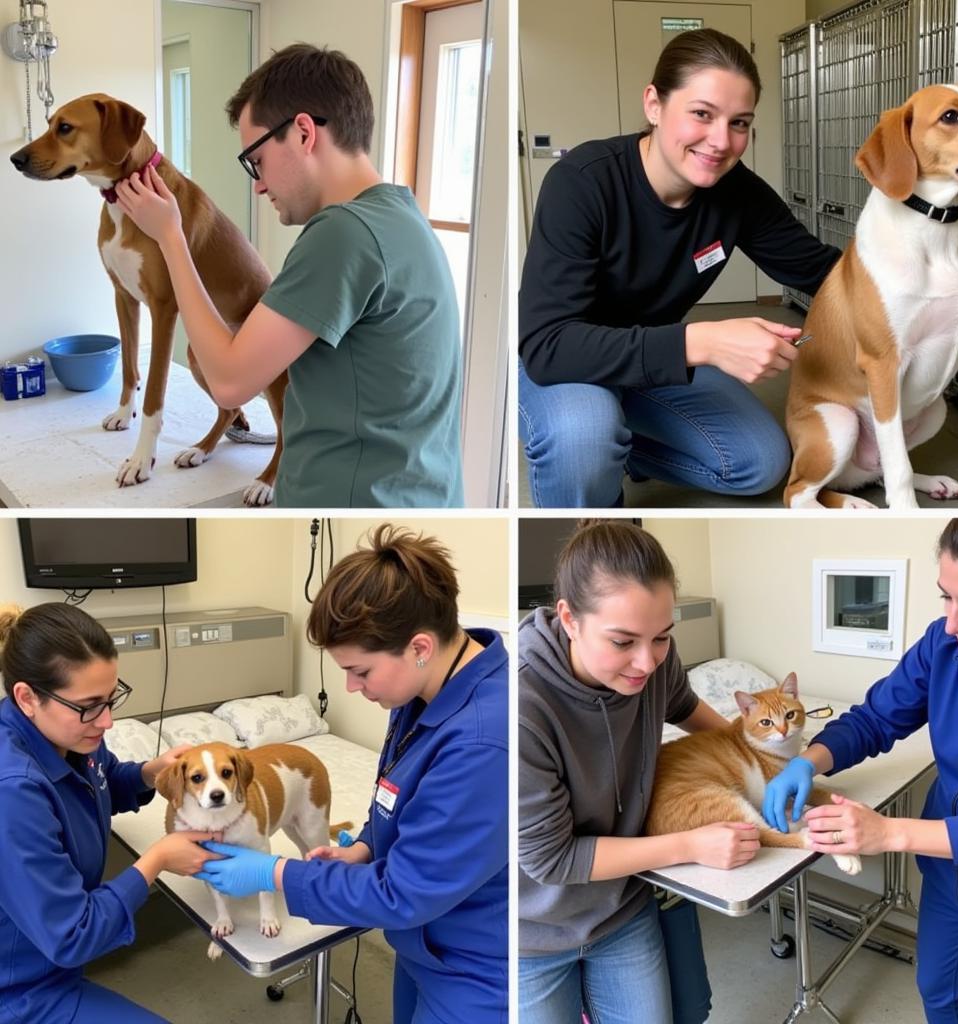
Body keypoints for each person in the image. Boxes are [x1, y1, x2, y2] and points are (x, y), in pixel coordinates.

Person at [115, 43, 464, 508]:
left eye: (255, 161)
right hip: (412, 496)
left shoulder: (344, 234)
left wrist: (171, 238)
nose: (257, 184)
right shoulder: (399, 215)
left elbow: (229, 383)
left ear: (303, 132)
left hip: (357, 504)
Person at [193, 525, 508, 1024]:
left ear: (420, 647)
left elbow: (404, 893)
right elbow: (397, 802)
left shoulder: (483, 743)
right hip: (425, 947)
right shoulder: (425, 694)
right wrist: (363, 847)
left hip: (479, 971)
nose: (351, 688)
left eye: (361, 672)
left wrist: (272, 872)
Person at [518, 28, 843, 508]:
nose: (721, 141)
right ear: (654, 104)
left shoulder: (737, 193)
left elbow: (822, 271)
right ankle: (597, 502)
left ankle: (628, 452)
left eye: (740, 123)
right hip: (570, 361)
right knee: (584, 435)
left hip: (650, 360)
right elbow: (549, 346)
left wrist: (917, 262)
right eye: (702, 114)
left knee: (761, 464)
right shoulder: (582, 183)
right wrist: (704, 342)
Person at [763, 518, 958, 1024]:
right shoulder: (944, 646)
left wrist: (886, 832)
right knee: (936, 991)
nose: (953, 622)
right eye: (946, 597)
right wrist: (808, 760)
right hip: (946, 872)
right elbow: (877, 717)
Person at [519, 520, 761, 1023]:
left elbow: (696, 715)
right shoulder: (521, 705)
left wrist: (762, 761)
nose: (646, 663)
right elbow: (553, 860)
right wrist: (692, 845)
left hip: (622, 909)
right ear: (569, 618)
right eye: (623, 642)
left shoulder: (656, 666)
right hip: (531, 933)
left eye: (662, 638)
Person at [0, 603, 220, 1024]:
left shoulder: (74, 734)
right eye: (89, 706)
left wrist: (149, 773)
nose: (107, 721)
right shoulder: (13, 793)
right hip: (19, 992)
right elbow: (72, 935)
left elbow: (98, 784)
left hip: (51, 965)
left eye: (111, 698)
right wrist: (155, 861)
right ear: (27, 698)